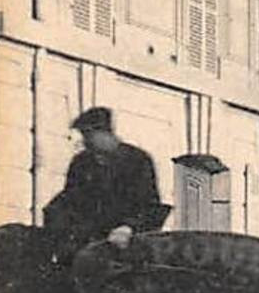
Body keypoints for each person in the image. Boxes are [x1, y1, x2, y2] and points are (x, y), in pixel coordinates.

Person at [44, 107, 167, 265]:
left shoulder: (137, 160)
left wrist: (128, 227)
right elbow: (69, 198)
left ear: (105, 133)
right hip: (86, 237)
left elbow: (148, 204)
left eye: (89, 135)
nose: (85, 141)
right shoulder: (81, 162)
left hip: (124, 239)